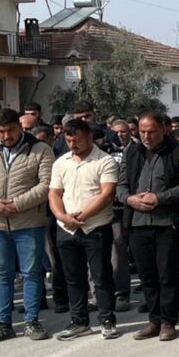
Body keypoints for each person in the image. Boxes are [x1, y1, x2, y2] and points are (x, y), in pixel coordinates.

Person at [0, 108, 55, 343]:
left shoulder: (40, 149)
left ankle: (31, 321)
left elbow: (46, 184)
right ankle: (3, 323)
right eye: (1, 131)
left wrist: (17, 205)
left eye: (11, 130)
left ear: (19, 126)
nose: (6, 136)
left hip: (29, 222)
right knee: (1, 273)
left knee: (31, 272)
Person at [119, 111, 179, 340]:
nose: (146, 136)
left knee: (167, 274)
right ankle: (154, 320)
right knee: (146, 275)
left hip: (167, 222)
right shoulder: (132, 151)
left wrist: (159, 198)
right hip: (137, 222)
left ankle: (168, 322)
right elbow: (121, 184)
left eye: (151, 131)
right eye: (142, 131)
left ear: (164, 129)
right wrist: (129, 199)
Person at [48, 118, 120, 341]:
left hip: (95, 226)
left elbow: (106, 194)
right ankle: (79, 321)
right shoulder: (61, 162)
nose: (73, 145)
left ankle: (107, 319)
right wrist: (62, 216)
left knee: (101, 275)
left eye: (77, 140)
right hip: (67, 229)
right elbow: (54, 193)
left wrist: (81, 217)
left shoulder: (105, 161)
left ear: (90, 137)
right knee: (73, 278)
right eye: (69, 140)